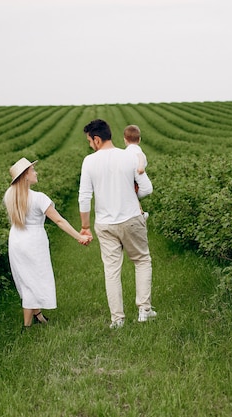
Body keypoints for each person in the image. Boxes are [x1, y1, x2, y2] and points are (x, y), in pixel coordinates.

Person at [78, 119, 156, 329]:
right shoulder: (128, 156)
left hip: (104, 223)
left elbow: (84, 197)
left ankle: (118, 319)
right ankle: (144, 310)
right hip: (131, 218)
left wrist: (85, 226)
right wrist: (131, 194)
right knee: (141, 260)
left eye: (89, 141)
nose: (89, 145)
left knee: (111, 270)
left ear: (96, 139)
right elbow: (147, 189)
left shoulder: (89, 161)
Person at [4, 157, 91, 332]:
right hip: (34, 240)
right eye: (32, 171)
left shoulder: (10, 195)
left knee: (26, 278)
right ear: (25, 177)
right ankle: (27, 326)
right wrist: (79, 236)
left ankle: (38, 315)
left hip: (16, 240)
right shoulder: (38, 198)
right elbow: (59, 220)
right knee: (34, 278)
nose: (36, 173)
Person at [123, 124, 149, 220]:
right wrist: (141, 166)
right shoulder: (137, 150)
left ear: (125, 140)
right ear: (139, 140)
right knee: (134, 195)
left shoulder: (128, 151)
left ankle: (140, 213)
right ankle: (141, 214)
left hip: (131, 177)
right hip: (134, 177)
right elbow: (140, 156)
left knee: (133, 195)